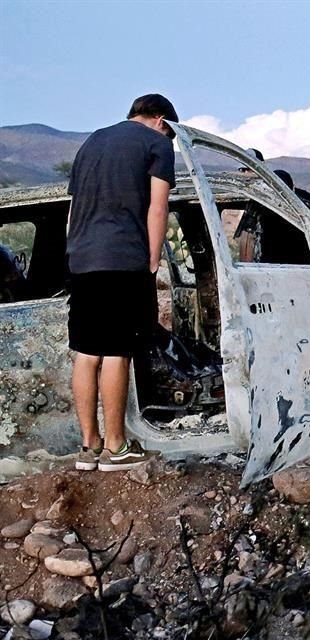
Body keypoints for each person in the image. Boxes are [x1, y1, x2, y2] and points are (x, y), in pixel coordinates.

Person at [66, 93, 178, 471]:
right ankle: (116, 447)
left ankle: (89, 446)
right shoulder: (157, 143)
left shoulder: (92, 141)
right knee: (117, 350)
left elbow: (74, 209)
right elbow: (158, 207)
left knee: (86, 353)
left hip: (82, 259)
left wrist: (76, 252)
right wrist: (153, 259)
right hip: (123, 258)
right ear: (161, 120)